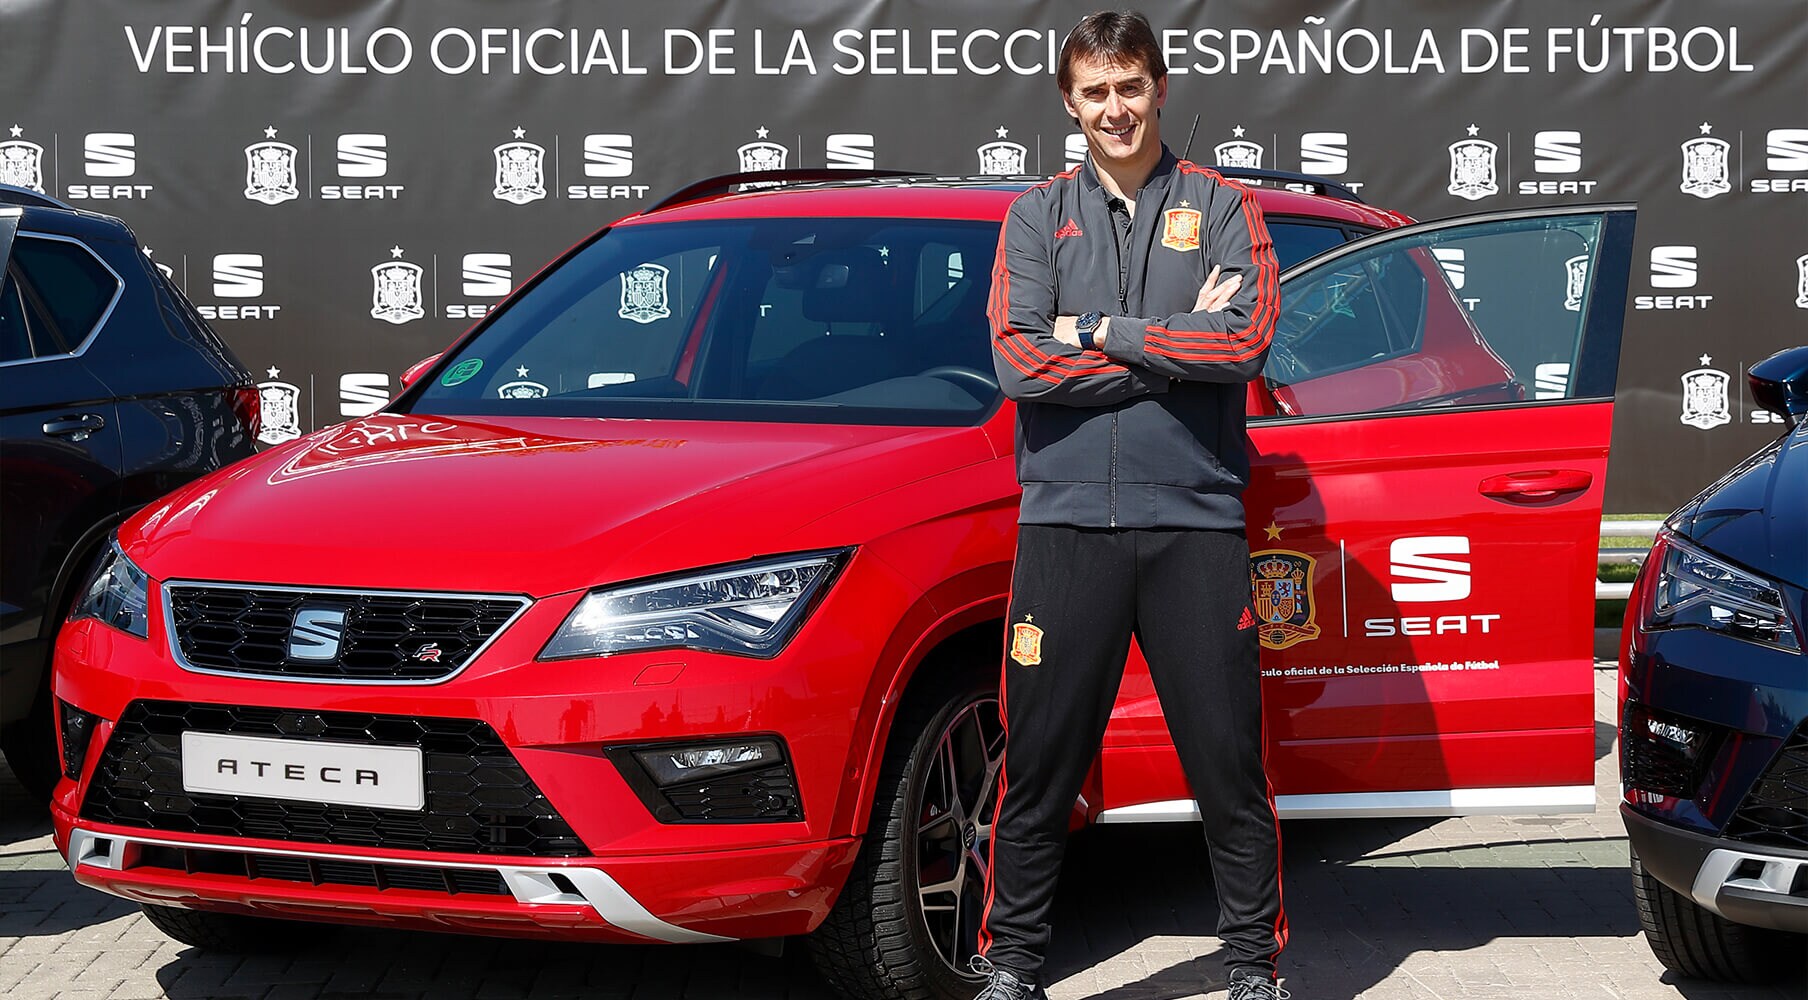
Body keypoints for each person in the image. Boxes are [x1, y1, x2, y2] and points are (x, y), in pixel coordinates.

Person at [977, 10, 1288, 1000]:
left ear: (1159, 88)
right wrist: (1163, 350)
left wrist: (1100, 329)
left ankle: (1250, 969)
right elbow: (1020, 358)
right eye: (1094, 92)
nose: (1114, 108)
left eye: (1129, 86)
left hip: (1191, 523)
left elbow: (1241, 345)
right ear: (1069, 104)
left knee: (1227, 765)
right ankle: (1013, 969)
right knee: (1035, 766)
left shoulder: (1225, 206)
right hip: (1063, 526)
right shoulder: (1033, 217)